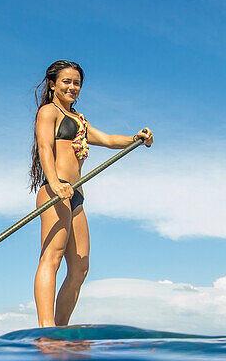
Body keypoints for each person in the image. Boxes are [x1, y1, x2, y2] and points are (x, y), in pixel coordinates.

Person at [30, 60, 153, 328]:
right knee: (53, 256)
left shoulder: (80, 120)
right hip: (55, 189)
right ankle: (46, 328)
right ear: (52, 84)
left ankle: (60, 330)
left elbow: (108, 140)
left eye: (77, 83)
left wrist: (136, 138)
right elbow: (43, 147)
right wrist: (54, 182)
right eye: (66, 81)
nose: (72, 87)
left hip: (76, 196)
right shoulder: (48, 112)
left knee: (80, 267)